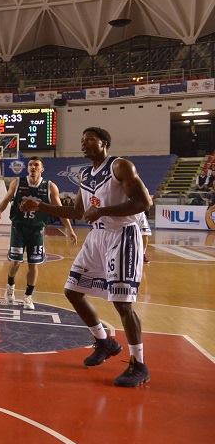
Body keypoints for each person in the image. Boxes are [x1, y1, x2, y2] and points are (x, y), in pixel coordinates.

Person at [20, 127, 152, 387]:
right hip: (97, 236)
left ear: (104, 143)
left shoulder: (121, 166)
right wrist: (41, 206)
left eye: (90, 139)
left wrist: (103, 211)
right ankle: (105, 341)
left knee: (122, 303)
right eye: (82, 140)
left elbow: (144, 203)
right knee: (72, 290)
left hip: (122, 234)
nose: (84, 143)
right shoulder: (84, 174)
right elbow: (78, 212)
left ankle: (139, 364)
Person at [0, 157, 76, 310]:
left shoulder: (50, 186)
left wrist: (69, 229)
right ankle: (10, 286)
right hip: (18, 227)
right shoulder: (17, 182)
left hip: (37, 230)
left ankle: (28, 296)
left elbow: (59, 210)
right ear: (28, 168)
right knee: (16, 262)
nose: (33, 167)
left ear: (41, 169)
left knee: (34, 264)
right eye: (30, 164)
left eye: (36, 165)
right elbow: (6, 199)